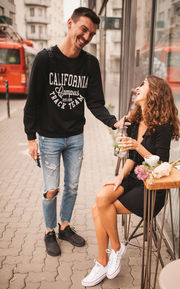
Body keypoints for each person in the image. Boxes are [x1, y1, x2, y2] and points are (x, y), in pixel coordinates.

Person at [23, 7, 127, 257]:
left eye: (91, 33)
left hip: (75, 137)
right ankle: (49, 231)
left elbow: (95, 102)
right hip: (48, 138)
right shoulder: (45, 58)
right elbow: (33, 101)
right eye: (83, 29)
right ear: (70, 24)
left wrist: (114, 122)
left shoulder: (90, 64)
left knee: (72, 187)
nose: (87, 36)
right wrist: (30, 138)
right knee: (52, 188)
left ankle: (65, 226)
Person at [81, 75, 180, 287]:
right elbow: (132, 160)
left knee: (98, 208)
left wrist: (137, 146)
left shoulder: (163, 126)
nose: (137, 87)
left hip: (151, 187)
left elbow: (160, 163)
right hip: (134, 177)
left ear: (154, 92)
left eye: (143, 84)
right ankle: (112, 252)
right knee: (101, 196)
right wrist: (119, 177)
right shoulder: (135, 120)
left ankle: (104, 259)